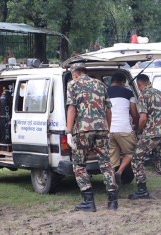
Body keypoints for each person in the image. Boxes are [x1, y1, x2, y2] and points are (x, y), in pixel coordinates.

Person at [66, 65, 118, 212]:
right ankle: (113, 201)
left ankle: (89, 201)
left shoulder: (72, 84)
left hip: (82, 130)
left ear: (74, 75)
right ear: (87, 74)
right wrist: (107, 128)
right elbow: (109, 109)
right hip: (102, 128)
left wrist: (69, 131)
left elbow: (71, 108)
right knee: (106, 164)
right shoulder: (101, 84)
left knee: (80, 165)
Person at [128, 74, 161, 200]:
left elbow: (143, 118)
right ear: (149, 81)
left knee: (136, 160)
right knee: (159, 162)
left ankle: (142, 190)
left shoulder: (143, 95)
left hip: (150, 134)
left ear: (139, 85)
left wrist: (139, 131)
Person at [107, 72, 139, 192]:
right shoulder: (129, 93)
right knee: (131, 151)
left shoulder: (105, 92)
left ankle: (112, 183)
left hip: (109, 130)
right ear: (122, 83)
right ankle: (119, 173)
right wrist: (136, 125)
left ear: (111, 82)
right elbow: (134, 113)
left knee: (112, 157)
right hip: (124, 129)